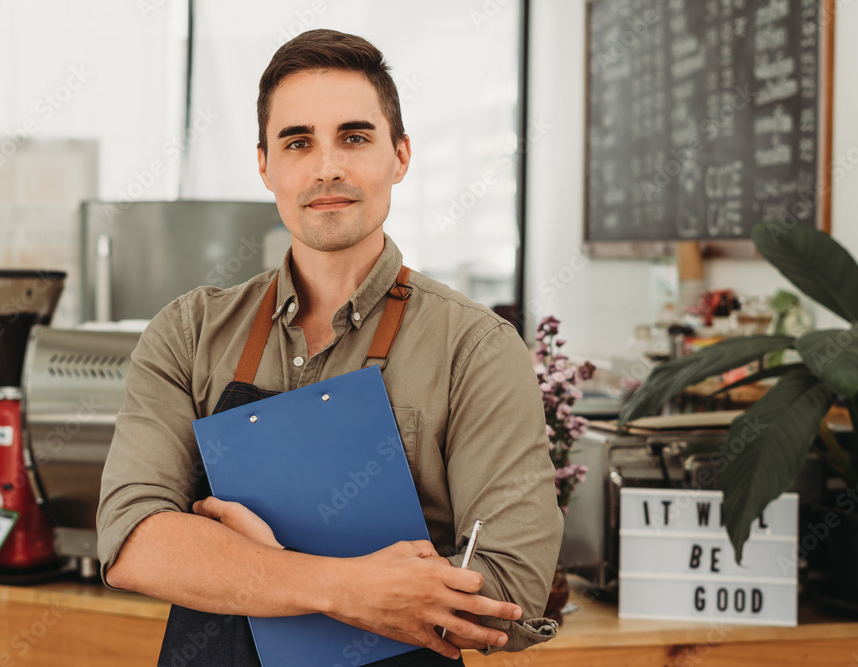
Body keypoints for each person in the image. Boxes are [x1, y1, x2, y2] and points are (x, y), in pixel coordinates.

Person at [97, 28, 563, 666]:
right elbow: (133, 542)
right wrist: (344, 588)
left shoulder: (475, 349)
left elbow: (506, 596)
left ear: (400, 155)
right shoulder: (190, 333)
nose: (326, 167)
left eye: (355, 136)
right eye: (297, 142)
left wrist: (241, 565)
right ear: (265, 165)